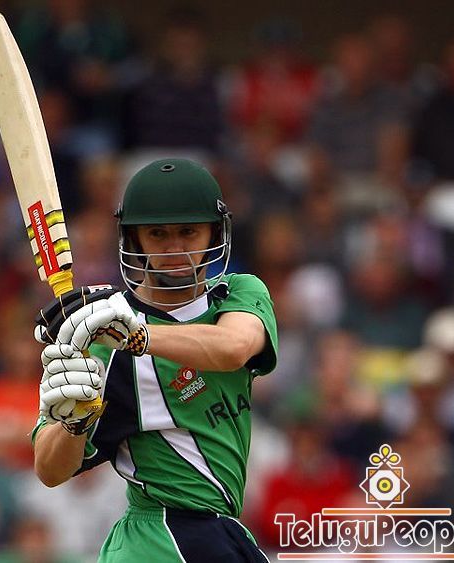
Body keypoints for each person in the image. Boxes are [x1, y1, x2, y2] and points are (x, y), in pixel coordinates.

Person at [31, 159, 278, 562]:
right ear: (134, 239)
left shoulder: (237, 293)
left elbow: (233, 347)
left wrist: (136, 337)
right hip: (159, 536)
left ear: (215, 233)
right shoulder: (101, 343)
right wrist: (75, 424)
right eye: (158, 234)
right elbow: (49, 468)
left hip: (217, 530)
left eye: (188, 231)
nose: (175, 249)